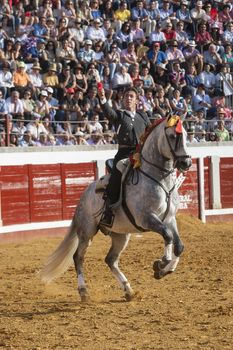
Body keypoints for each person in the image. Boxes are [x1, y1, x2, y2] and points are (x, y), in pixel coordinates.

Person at [98, 86, 151, 226]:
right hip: (124, 153)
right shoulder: (120, 115)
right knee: (116, 176)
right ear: (122, 99)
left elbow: (150, 133)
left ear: (137, 100)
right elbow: (109, 113)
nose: (128, 98)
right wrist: (103, 98)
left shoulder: (143, 116)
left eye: (131, 96)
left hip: (141, 153)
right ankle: (108, 212)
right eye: (126, 96)